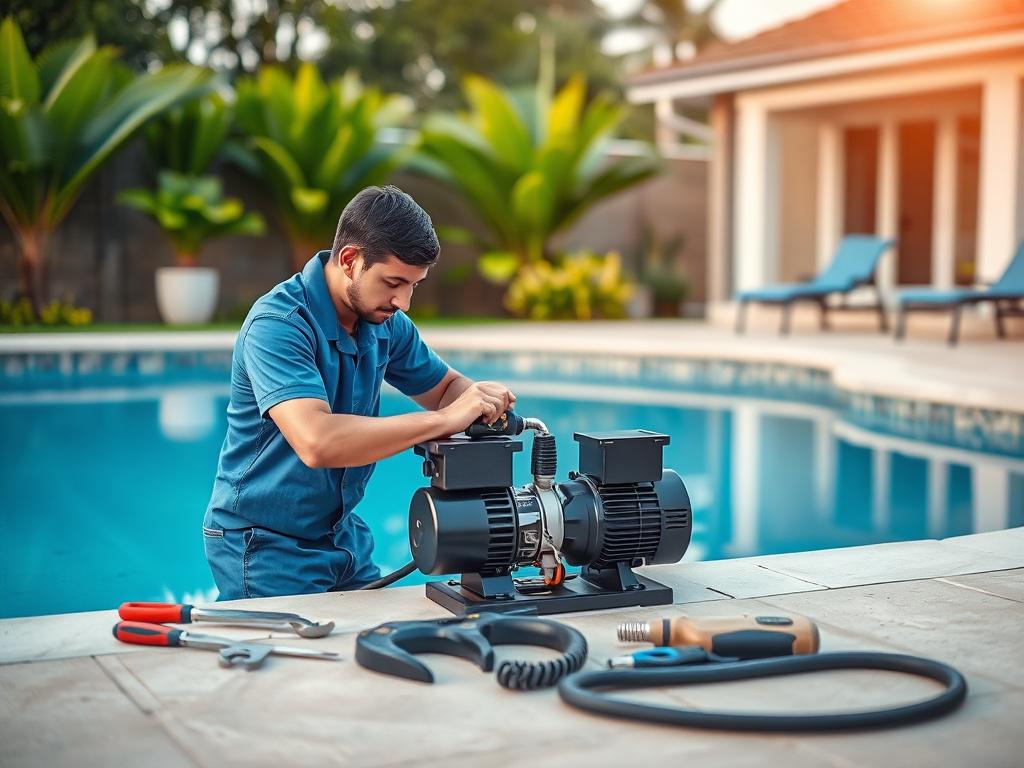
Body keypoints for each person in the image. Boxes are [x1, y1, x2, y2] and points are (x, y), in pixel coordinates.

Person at [203, 185, 516, 599]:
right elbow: (317, 442)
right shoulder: (278, 324)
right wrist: (442, 422)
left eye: (414, 286)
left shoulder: (383, 321)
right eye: (393, 282)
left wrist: (479, 396)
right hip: (263, 545)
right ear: (350, 260)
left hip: (342, 538)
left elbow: (445, 388)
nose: (403, 301)